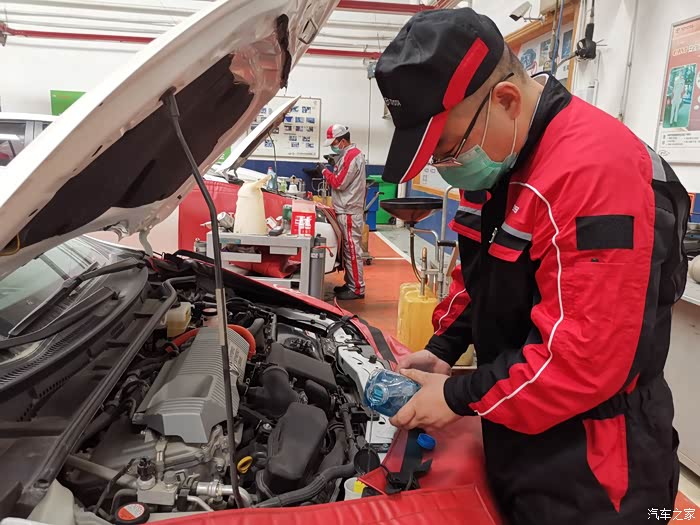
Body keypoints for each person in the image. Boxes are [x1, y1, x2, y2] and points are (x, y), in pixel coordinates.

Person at [375, 8, 689, 525]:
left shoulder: (593, 172)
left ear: (506, 100)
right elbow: (477, 276)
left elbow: (581, 360)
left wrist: (457, 395)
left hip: (598, 461)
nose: (446, 167)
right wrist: (443, 350)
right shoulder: (498, 156)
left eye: (447, 148)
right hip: (518, 418)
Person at [319, 124, 367, 300]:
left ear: (343, 141)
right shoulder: (348, 155)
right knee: (348, 250)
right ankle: (351, 283)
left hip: (349, 211)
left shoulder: (352, 155)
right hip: (347, 209)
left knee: (352, 250)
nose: (333, 146)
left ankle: (357, 289)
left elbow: (339, 183)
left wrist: (324, 171)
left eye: (334, 143)